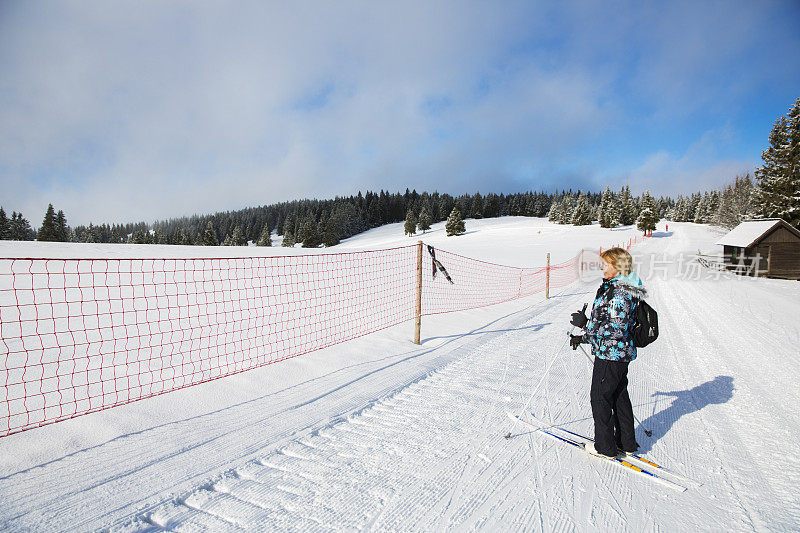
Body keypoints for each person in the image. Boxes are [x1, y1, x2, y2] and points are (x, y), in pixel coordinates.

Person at [569, 248, 646, 458]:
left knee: (600, 397)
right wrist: (583, 337)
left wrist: (585, 325)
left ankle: (605, 447)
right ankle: (626, 443)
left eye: (606, 264)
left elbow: (616, 329)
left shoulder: (620, 292)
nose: (602, 267)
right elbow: (607, 324)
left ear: (618, 266)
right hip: (616, 353)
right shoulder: (618, 287)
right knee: (619, 396)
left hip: (611, 355)